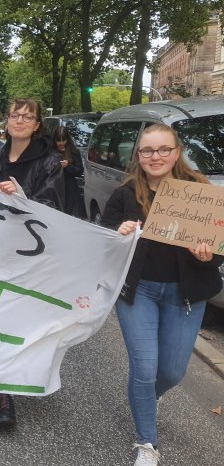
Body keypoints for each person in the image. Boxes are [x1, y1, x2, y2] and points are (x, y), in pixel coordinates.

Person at [101, 124, 222, 466]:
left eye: (163, 149)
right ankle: (146, 443)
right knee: (145, 367)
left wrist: (207, 254)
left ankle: (145, 399)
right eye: (147, 151)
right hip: (138, 292)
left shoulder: (199, 191)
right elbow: (104, 241)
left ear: (177, 151)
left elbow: (218, 244)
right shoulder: (126, 194)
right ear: (138, 156)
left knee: (171, 373)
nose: (155, 157)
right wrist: (119, 233)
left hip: (186, 294)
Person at [0, 98, 64, 429]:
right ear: (8, 120)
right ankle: (3, 395)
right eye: (15, 115)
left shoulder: (51, 162)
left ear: (38, 124)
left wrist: (21, 193)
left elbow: (53, 207)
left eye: (28, 116)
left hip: (27, 256)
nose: (20, 120)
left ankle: (18, 374)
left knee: (16, 320)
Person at [53, 127, 86, 219]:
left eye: (63, 140)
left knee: (69, 214)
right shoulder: (51, 151)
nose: (61, 143)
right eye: (58, 140)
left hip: (69, 188)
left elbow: (79, 171)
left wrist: (68, 166)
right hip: (54, 186)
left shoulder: (74, 151)